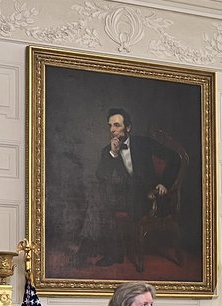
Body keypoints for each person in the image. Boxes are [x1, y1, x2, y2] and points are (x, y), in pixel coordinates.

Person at [76, 109, 182, 267]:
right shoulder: (108, 150)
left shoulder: (143, 143)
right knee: (99, 197)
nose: (112, 129)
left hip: (148, 197)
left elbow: (174, 158)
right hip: (122, 198)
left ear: (128, 128)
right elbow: (102, 177)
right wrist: (113, 153)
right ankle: (99, 250)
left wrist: (165, 183)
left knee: (100, 200)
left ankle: (100, 250)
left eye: (117, 125)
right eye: (110, 125)